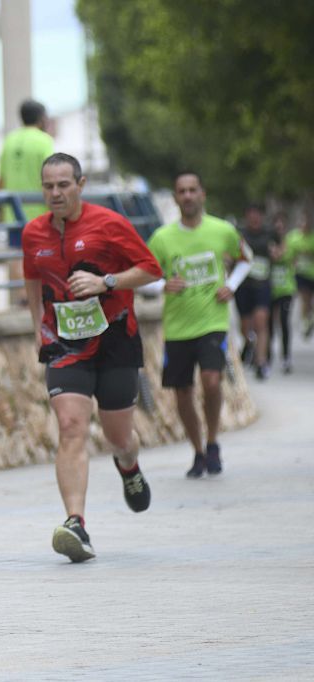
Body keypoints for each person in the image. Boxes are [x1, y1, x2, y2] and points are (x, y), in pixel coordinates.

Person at [22, 153, 162, 563]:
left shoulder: (109, 224)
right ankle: (75, 524)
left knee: (119, 437)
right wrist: (37, 328)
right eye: (48, 186)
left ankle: (128, 465)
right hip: (64, 344)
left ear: (80, 185)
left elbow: (152, 269)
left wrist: (107, 281)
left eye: (63, 185)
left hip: (116, 338)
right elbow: (32, 278)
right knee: (70, 427)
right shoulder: (33, 233)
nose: (55, 193)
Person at [145, 172, 251, 478]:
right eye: (182, 191)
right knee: (182, 393)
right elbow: (143, 275)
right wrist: (163, 284)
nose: (188, 196)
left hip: (212, 321)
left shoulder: (222, 230)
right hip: (178, 327)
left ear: (202, 194)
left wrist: (231, 284)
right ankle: (198, 451)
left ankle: (214, 441)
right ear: (176, 197)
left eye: (193, 190)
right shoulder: (163, 238)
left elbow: (246, 258)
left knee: (212, 381)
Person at [0, 99, 54, 303]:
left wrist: (0, 210)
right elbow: (52, 174)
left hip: (12, 210)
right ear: (42, 118)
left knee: (16, 253)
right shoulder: (44, 140)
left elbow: (2, 179)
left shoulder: (9, 140)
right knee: (43, 253)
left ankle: (21, 295)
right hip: (40, 210)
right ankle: (40, 296)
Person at [233, 204, 277, 379]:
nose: (254, 218)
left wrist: (277, 253)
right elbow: (229, 253)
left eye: (257, 215)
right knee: (245, 326)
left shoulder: (270, 233)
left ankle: (261, 362)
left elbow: (282, 249)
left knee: (261, 322)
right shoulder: (239, 233)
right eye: (251, 215)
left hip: (263, 284)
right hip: (243, 286)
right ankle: (249, 343)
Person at [268, 211, 296, 373]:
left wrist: (277, 250)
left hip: (286, 288)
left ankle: (286, 357)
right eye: (276, 225)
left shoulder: (291, 243)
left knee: (284, 323)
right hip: (270, 289)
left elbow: (281, 256)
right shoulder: (267, 242)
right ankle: (267, 356)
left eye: (282, 225)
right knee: (269, 323)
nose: (279, 228)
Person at [283, 212, 314, 341]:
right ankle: (306, 321)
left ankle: (309, 317)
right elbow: (288, 255)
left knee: (310, 301)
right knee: (305, 299)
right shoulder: (292, 237)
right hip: (300, 274)